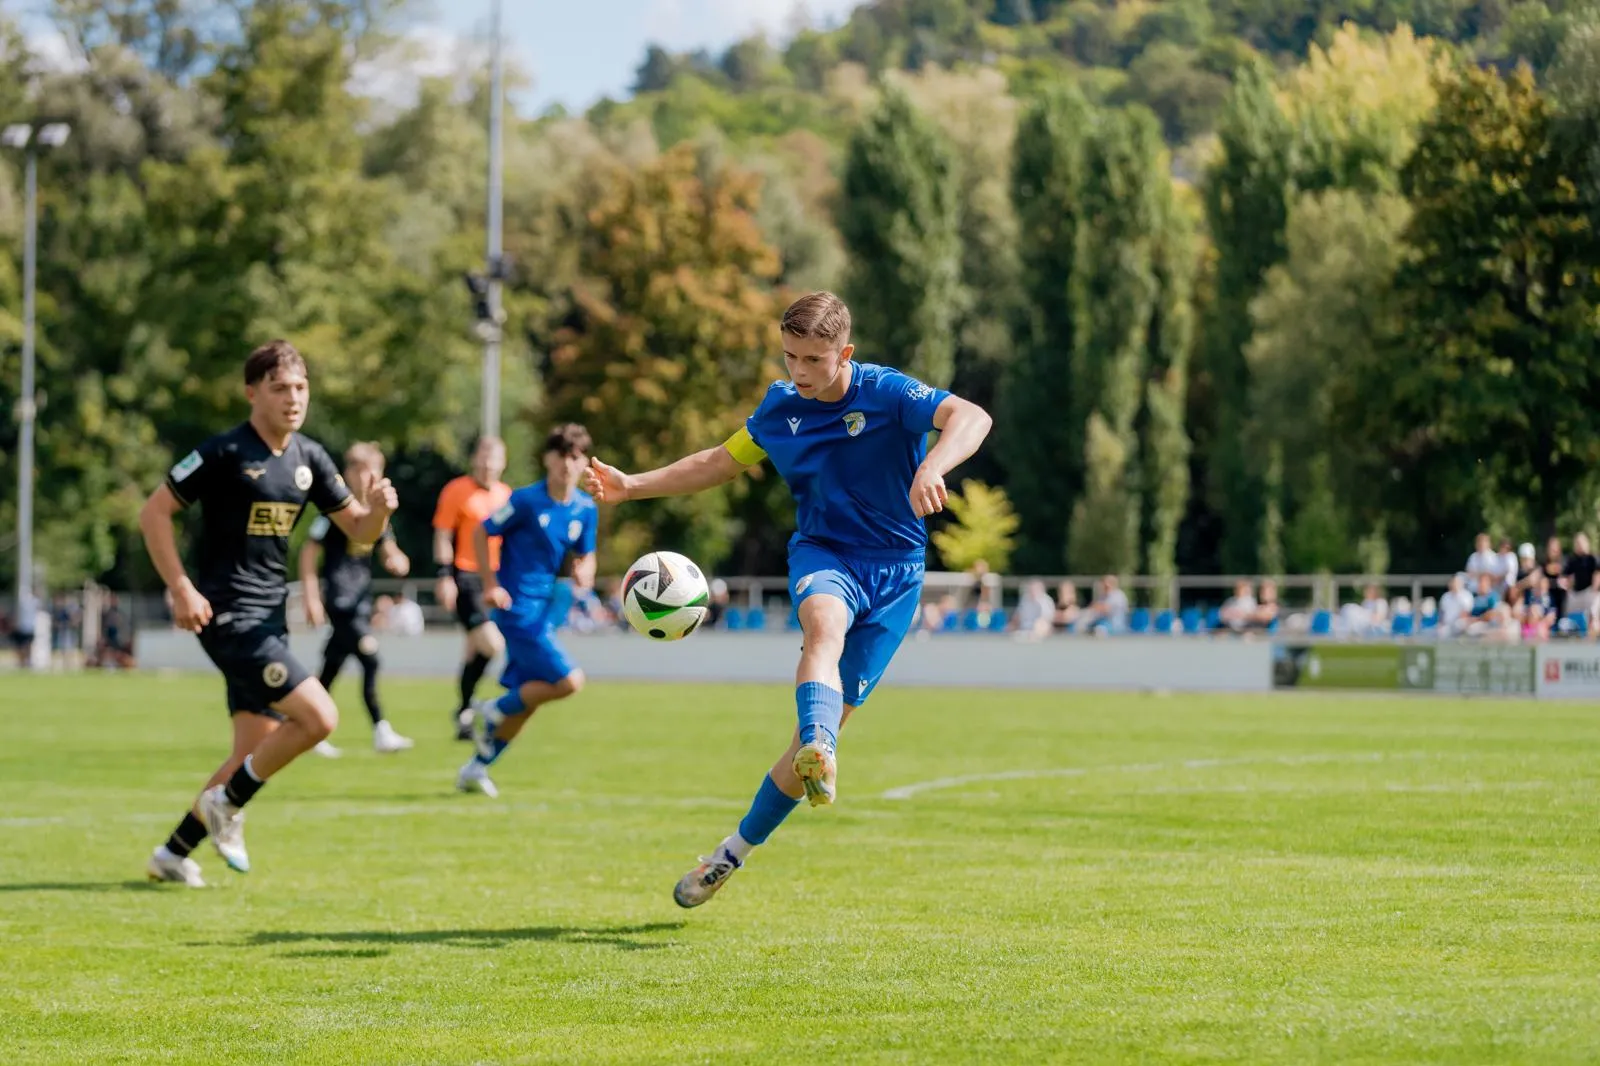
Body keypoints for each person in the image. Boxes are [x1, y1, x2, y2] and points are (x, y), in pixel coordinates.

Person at [584, 291, 992, 908]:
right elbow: (720, 461)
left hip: (897, 574)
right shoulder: (780, 409)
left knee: (825, 721)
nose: (798, 372)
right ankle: (820, 746)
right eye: (789, 356)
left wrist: (933, 465)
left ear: (844, 353)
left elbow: (973, 417)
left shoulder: (886, 393)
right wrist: (631, 486)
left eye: (813, 360)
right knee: (822, 628)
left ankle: (731, 853)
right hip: (824, 553)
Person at [139, 340, 397, 887]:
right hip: (228, 617)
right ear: (252, 392)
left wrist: (375, 515)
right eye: (280, 388)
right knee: (319, 718)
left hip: (269, 618)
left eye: (301, 387)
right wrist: (181, 586)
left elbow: (358, 532)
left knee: (250, 755)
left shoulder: (310, 458)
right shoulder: (225, 452)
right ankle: (226, 807)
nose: (293, 398)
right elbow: (154, 513)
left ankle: (173, 853)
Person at [455, 424, 598, 798]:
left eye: (575, 456)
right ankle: (489, 708)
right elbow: (481, 532)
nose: (567, 464)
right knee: (568, 681)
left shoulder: (585, 508)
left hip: (549, 611)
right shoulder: (525, 501)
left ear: (584, 462)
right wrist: (490, 584)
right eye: (561, 454)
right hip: (517, 608)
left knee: (528, 700)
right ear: (547, 458)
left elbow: (586, 553)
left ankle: (476, 767)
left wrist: (586, 570)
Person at [299, 441, 414, 756]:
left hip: (361, 602)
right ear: (348, 474)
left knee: (331, 667)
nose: (368, 477)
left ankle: (305, 727)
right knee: (371, 658)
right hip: (341, 601)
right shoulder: (336, 511)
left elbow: (391, 551)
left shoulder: (378, 516)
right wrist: (311, 597)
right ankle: (381, 730)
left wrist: (398, 561)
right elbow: (309, 553)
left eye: (374, 470)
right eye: (361, 470)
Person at [433, 437, 512, 740]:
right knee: (492, 646)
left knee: (473, 651)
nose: (487, 464)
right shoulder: (457, 490)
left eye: (493, 458)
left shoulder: (507, 495)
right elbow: (442, 534)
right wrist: (444, 576)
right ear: (474, 459)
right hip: (465, 577)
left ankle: (464, 713)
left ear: (503, 462)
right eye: (482, 457)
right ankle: (474, 708)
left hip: (496, 580)